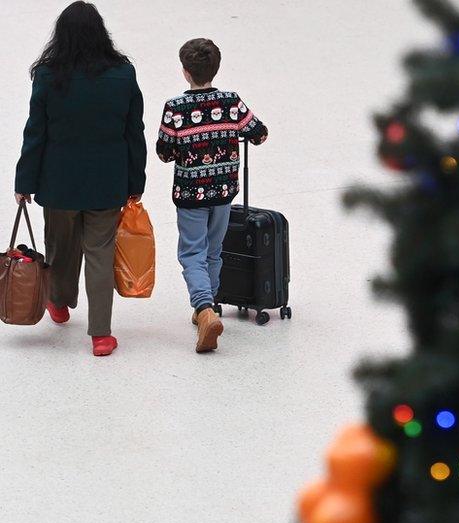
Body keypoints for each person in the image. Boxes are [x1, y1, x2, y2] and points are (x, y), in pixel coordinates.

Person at [14, 1, 147, 357]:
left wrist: (24, 181)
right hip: (107, 182)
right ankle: (101, 335)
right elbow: (134, 132)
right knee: (100, 254)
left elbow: (35, 134)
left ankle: (58, 302)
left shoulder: (47, 76)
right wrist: (136, 182)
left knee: (61, 247)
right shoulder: (123, 74)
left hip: (58, 183)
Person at [156, 38, 268, 353]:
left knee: (192, 253)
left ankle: (205, 309)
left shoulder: (176, 108)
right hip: (223, 191)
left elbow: (164, 152)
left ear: (185, 72)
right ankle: (208, 307)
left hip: (191, 193)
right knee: (213, 251)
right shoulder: (231, 102)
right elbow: (259, 133)